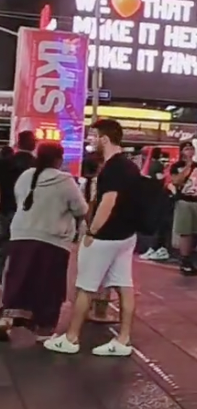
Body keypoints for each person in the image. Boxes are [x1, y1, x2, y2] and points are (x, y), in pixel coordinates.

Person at [45, 119, 139, 357]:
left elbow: (108, 202)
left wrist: (92, 231)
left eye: (93, 136)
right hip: (127, 236)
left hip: (105, 237)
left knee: (85, 286)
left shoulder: (113, 168)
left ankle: (71, 337)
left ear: (105, 139)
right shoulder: (129, 166)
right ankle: (123, 339)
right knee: (124, 285)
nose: (90, 141)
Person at [0, 143, 87, 338]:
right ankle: (43, 329)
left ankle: (6, 319)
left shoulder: (25, 176)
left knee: (18, 279)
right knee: (48, 285)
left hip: (20, 236)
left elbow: (19, 199)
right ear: (59, 159)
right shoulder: (65, 180)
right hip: (52, 241)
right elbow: (81, 209)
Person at [0, 131, 36, 275]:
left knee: (2, 247)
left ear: (17, 143)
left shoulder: (4, 163)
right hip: (30, 214)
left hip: (6, 209)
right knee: (25, 251)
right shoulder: (38, 165)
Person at [169, 142, 197, 276]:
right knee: (186, 232)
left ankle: (191, 258)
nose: (190, 151)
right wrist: (188, 167)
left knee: (196, 231)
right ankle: (184, 261)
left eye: (191, 148)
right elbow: (176, 181)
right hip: (184, 201)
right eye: (186, 149)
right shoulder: (176, 167)